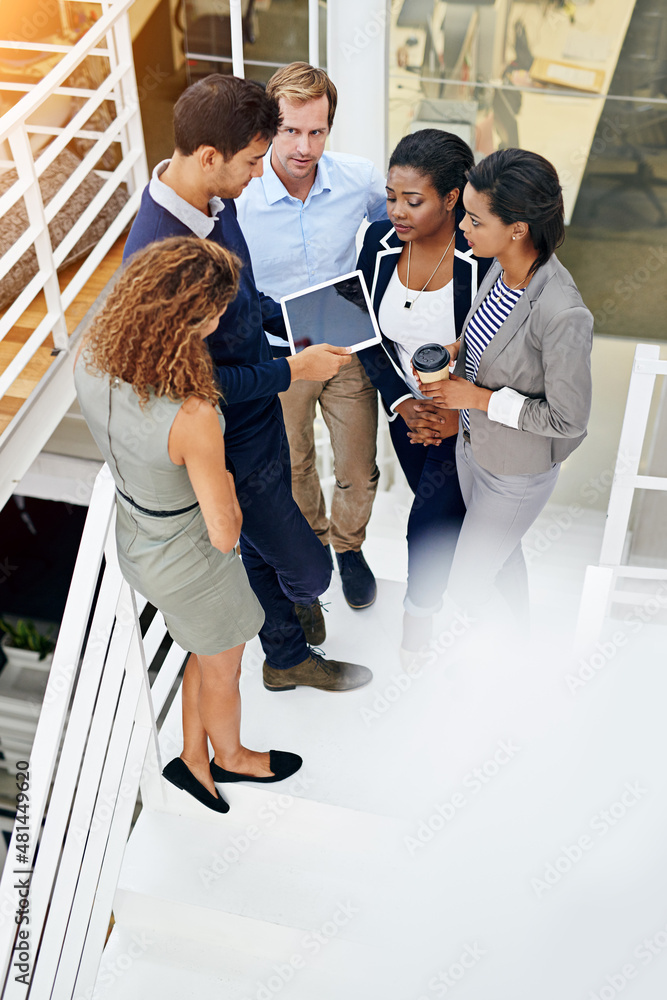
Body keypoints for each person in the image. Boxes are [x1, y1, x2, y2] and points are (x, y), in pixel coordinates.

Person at [123, 74, 372, 694]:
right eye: (254, 160)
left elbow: (242, 295)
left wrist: (292, 324)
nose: (261, 175)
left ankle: (284, 656)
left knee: (266, 547)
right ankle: (292, 619)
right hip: (231, 431)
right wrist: (292, 370)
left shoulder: (216, 197)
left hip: (262, 413)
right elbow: (196, 386)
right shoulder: (160, 257)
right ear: (210, 157)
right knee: (310, 570)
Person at [75, 238, 304, 813]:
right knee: (224, 664)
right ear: (187, 320)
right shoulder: (192, 415)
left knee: (200, 653)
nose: (224, 317)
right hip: (192, 561)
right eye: (216, 310)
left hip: (137, 537)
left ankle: (191, 761)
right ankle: (230, 756)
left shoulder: (93, 356)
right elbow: (225, 533)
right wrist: (227, 487)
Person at [415, 147, 593, 630]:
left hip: (513, 475)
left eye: (474, 220)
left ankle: (495, 675)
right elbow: (493, 335)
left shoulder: (563, 313)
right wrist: (458, 349)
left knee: (466, 585)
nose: (462, 229)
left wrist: (477, 399)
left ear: (517, 229)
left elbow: (568, 420)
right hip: (473, 448)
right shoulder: (501, 266)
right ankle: (520, 639)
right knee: (502, 555)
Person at [236, 62, 387, 616]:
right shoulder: (240, 198)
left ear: (329, 127)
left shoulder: (360, 179)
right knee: (294, 463)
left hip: (346, 345)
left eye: (316, 131)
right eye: (290, 130)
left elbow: (390, 235)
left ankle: (350, 548)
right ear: (269, 128)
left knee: (356, 465)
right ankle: (316, 545)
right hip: (282, 356)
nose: (304, 146)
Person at [356, 130, 492, 655]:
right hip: (405, 415)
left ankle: (419, 626)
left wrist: (457, 413)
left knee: (430, 520)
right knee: (453, 520)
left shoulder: (481, 260)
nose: (398, 211)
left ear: (452, 198)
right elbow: (365, 333)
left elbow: (503, 350)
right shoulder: (377, 243)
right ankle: (486, 614)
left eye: (414, 201)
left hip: (466, 420)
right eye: (392, 197)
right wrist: (402, 402)